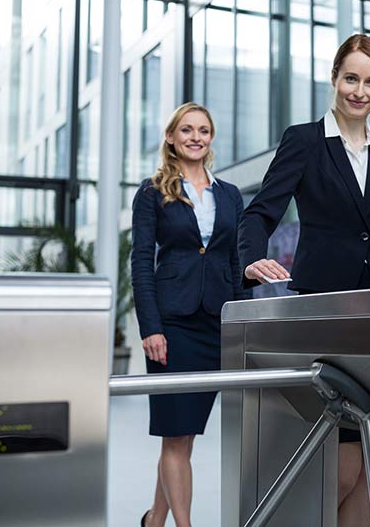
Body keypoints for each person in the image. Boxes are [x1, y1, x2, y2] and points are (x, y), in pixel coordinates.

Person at [239, 33, 370, 527]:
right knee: (341, 460)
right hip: (325, 311)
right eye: (351, 78)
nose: (360, 90)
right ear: (334, 78)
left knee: (368, 460)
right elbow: (260, 213)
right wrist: (252, 259)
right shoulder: (305, 141)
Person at [131, 102, 246, 527]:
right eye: (186, 130)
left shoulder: (229, 194)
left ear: (210, 137)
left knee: (185, 437)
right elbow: (141, 262)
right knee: (175, 436)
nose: (195, 137)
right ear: (171, 138)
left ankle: (153, 521)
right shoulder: (152, 191)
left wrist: (239, 323)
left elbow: (233, 263)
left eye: (203, 130)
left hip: (215, 324)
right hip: (173, 325)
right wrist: (151, 328)